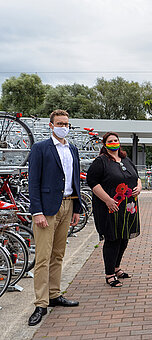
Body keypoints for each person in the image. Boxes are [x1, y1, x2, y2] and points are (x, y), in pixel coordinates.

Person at [27, 109, 82, 326]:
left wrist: (77, 208)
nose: (63, 127)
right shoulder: (41, 148)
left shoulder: (73, 149)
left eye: (66, 124)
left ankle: (54, 294)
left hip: (68, 205)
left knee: (58, 254)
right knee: (42, 256)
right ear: (51, 125)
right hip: (47, 210)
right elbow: (33, 182)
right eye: (59, 123)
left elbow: (75, 180)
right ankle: (40, 303)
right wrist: (37, 211)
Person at [86, 132, 141, 287]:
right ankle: (109, 274)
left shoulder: (125, 159)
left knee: (124, 238)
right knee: (112, 239)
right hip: (111, 207)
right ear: (104, 144)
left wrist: (140, 186)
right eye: (110, 141)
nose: (114, 142)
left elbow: (136, 177)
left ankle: (117, 268)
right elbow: (93, 182)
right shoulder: (101, 162)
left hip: (128, 207)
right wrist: (108, 200)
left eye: (116, 140)